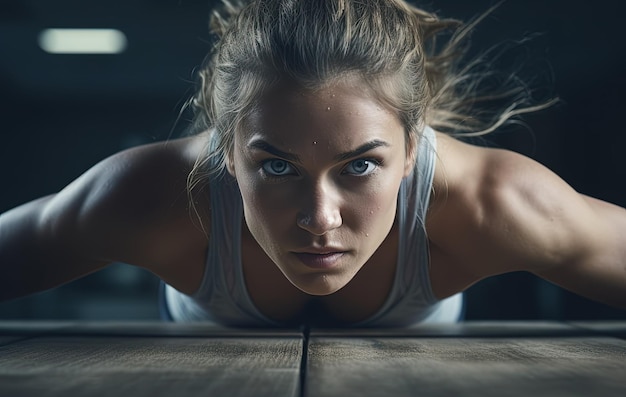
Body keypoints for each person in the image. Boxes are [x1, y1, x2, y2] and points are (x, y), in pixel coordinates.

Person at [0, 0, 624, 327]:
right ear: (226, 152)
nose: (318, 220)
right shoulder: (146, 197)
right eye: (276, 167)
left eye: (359, 167)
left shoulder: (497, 204)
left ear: (412, 150)